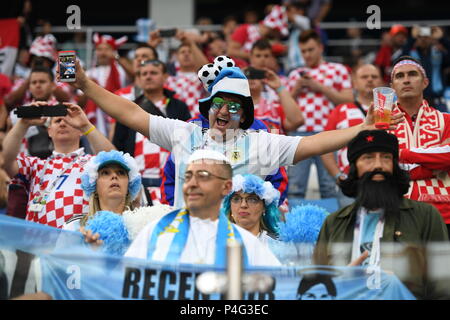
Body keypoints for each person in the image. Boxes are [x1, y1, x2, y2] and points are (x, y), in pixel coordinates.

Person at [67, 54, 403, 209]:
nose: (224, 111)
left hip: (241, 246)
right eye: (218, 103)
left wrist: (362, 127)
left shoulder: (261, 143)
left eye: (234, 106)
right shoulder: (184, 133)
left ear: (244, 115)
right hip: (188, 241)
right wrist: (83, 84)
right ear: (207, 106)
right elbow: (130, 112)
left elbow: (313, 143)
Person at [313, 129, 449, 299]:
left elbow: (444, 288)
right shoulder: (333, 223)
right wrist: (341, 283)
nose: (378, 165)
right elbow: (314, 288)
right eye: (368, 157)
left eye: (386, 157)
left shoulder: (425, 216)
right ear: (355, 169)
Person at [125, 149, 281, 266]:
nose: (192, 184)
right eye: (188, 177)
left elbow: (280, 290)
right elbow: (122, 285)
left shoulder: (248, 244)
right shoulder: (155, 232)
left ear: (226, 187)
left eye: (203, 176)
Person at [2, 102, 115, 228]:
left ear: (80, 130)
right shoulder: (36, 165)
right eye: (57, 121)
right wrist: (23, 124)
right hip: (36, 244)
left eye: (68, 120)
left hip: (77, 242)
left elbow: (116, 162)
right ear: (49, 131)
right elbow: (4, 161)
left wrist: (86, 125)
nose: (62, 123)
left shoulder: (93, 163)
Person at [287, 29, 353, 201]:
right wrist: (296, 89)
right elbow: (283, 107)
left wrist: (320, 87)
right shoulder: (295, 74)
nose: (307, 55)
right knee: (295, 187)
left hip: (328, 133)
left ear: (321, 48)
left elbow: (348, 99)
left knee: (330, 186)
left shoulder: (337, 69)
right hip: (299, 133)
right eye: (303, 51)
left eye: (311, 49)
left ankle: (332, 227)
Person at [387, 55, 450, 235]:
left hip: (444, 212)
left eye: (412, 74)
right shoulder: (380, 123)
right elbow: (381, 164)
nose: (406, 80)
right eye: (399, 76)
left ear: (425, 82)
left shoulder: (446, 120)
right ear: (392, 87)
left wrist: (401, 154)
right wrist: (434, 164)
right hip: (395, 211)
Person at [112, 60, 191, 204]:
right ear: (139, 78)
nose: (148, 77)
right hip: (137, 185)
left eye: (153, 73)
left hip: (169, 182)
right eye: (144, 74)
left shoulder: (179, 107)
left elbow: (188, 142)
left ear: (165, 76)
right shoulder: (128, 108)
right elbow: (118, 145)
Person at [321, 64, 384, 208]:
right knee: (350, 227)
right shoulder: (340, 110)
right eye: (364, 77)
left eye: (374, 77)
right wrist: (338, 176)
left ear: (381, 82)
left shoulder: (390, 110)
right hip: (351, 182)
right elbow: (325, 148)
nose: (369, 80)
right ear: (354, 83)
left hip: (383, 180)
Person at [222, 174, 282, 244]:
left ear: (264, 207)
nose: (243, 205)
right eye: (236, 199)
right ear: (230, 207)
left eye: (252, 199)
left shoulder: (277, 249)